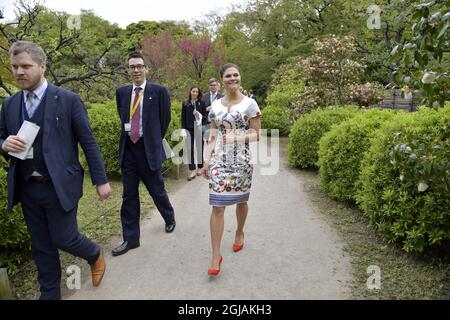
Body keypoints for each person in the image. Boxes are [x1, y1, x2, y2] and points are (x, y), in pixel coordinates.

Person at [0, 41, 111, 300]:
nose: (19, 72)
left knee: (64, 237)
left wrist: (101, 180)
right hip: (27, 187)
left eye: (25, 66)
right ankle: (50, 293)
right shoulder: (10, 103)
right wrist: (4, 144)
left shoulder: (68, 100)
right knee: (41, 246)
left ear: (42, 66)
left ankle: (94, 254)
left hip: (60, 184)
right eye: (15, 67)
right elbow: (1, 135)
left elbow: (89, 142)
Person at [112, 52, 176, 257]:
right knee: (128, 196)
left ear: (146, 68)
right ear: (128, 70)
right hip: (129, 151)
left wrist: (152, 140)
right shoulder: (121, 92)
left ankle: (169, 218)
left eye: (140, 66)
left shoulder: (158, 91)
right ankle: (131, 239)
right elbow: (122, 118)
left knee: (156, 190)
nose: (136, 70)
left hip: (149, 150)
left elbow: (164, 120)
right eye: (132, 67)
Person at [201, 63, 261, 276]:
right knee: (217, 206)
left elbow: (257, 134)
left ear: (240, 77)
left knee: (241, 201)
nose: (233, 78)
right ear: (222, 79)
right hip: (219, 160)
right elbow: (213, 135)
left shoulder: (250, 104)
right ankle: (216, 256)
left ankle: (239, 232)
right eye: (228, 75)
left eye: (236, 74)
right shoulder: (215, 106)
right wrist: (206, 160)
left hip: (241, 161)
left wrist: (239, 136)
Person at [181, 86, 207, 181]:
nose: (195, 93)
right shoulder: (185, 103)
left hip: (199, 128)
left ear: (199, 93)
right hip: (188, 128)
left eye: (197, 91)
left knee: (199, 147)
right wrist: (183, 129)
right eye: (193, 91)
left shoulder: (202, 103)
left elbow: (205, 117)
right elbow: (183, 117)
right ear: (190, 92)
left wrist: (198, 114)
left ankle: (200, 167)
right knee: (189, 148)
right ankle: (192, 170)